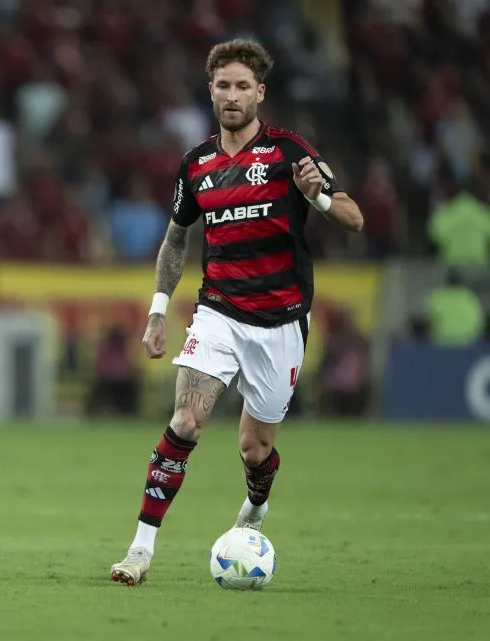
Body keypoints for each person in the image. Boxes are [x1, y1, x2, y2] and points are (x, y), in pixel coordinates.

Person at [109, 40, 364, 586]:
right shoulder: (196, 165)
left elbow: (354, 217)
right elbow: (176, 241)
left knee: (255, 449)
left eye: (242, 86)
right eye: (223, 85)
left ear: (260, 93)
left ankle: (255, 506)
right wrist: (158, 311)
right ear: (211, 91)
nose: (232, 95)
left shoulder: (290, 152)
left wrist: (317, 197)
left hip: (282, 321)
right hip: (218, 313)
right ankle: (139, 551)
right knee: (185, 420)